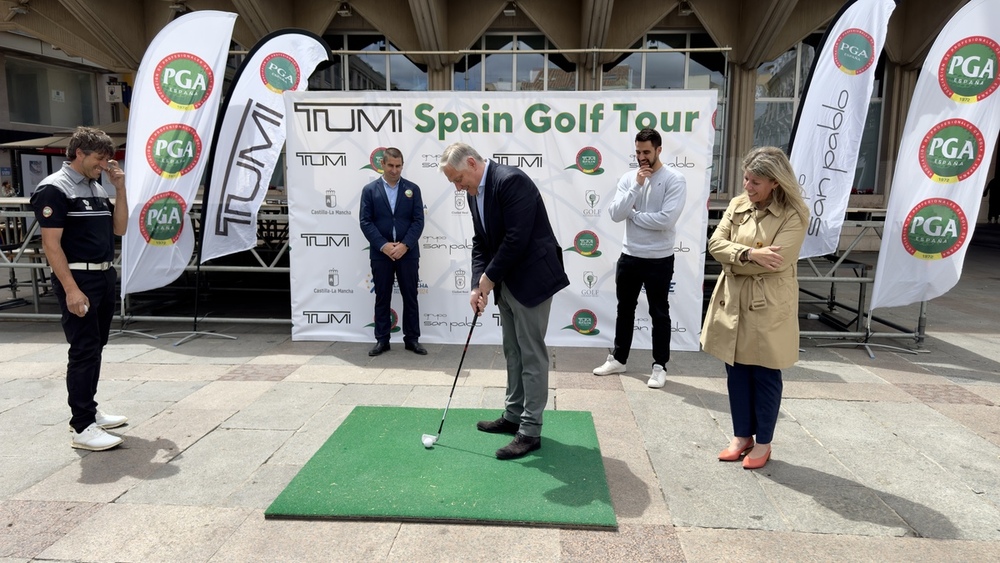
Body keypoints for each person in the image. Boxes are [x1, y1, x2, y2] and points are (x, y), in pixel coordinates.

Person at [440, 142, 569, 460]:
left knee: (532, 354)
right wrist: (476, 285)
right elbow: (480, 243)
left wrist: (488, 279)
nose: (458, 188)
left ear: (471, 163)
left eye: (458, 179)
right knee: (512, 349)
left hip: (532, 278)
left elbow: (516, 238)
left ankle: (530, 431)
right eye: (453, 183)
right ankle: (513, 416)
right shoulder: (474, 195)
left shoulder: (511, 180)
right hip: (507, 280)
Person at [701, 146, 808, 470]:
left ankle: (763, 442)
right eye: (746, 179)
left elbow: (777, 261)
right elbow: (714, 244)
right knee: (736, 369)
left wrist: (737, 257)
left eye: (756, 181)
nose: (747, 186)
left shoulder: (795, 214)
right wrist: (749, 255)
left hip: (768, 303)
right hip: (734, 300)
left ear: (775, 182)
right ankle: (740, 435)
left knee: (764, 371)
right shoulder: (737, 205)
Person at [30, 127, 128, 451]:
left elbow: (120, 228)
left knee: (95, 346)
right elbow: (51, 245)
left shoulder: (96, 187)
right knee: (83, 349)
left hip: (103, 275)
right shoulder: (54, 190)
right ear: (80, 153)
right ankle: (82, 426)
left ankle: (90, 409)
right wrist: (71, 290)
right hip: (78, 279)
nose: (104, 165)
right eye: (99, 159)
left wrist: (120, 188)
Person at [592, 128, 687, 389]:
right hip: (630, 256)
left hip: (659, 258)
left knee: (659, 313)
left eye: (647, 152)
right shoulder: (629, 178)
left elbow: (665, 220)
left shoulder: (674, 179)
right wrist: (637, 185)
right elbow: (615, 213)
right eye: (638, 152)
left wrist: (633, 216)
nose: (642, 157)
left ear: (659, 150)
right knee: (625, 310)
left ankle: (659, 366)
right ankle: (619, 358)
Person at [359, 147, 426, 356]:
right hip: (381, 254)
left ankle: (412, 339)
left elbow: (418, 221)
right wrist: (384, 245)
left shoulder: (413, 189)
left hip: (408, 252)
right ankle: (382, 340)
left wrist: (405, 245)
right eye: (391, 165)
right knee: (382, 296)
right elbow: (365, 222)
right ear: (382, 165)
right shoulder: (369, 190)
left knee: (410, 296)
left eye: (398, 166)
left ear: (402, 165)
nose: (395, 170)